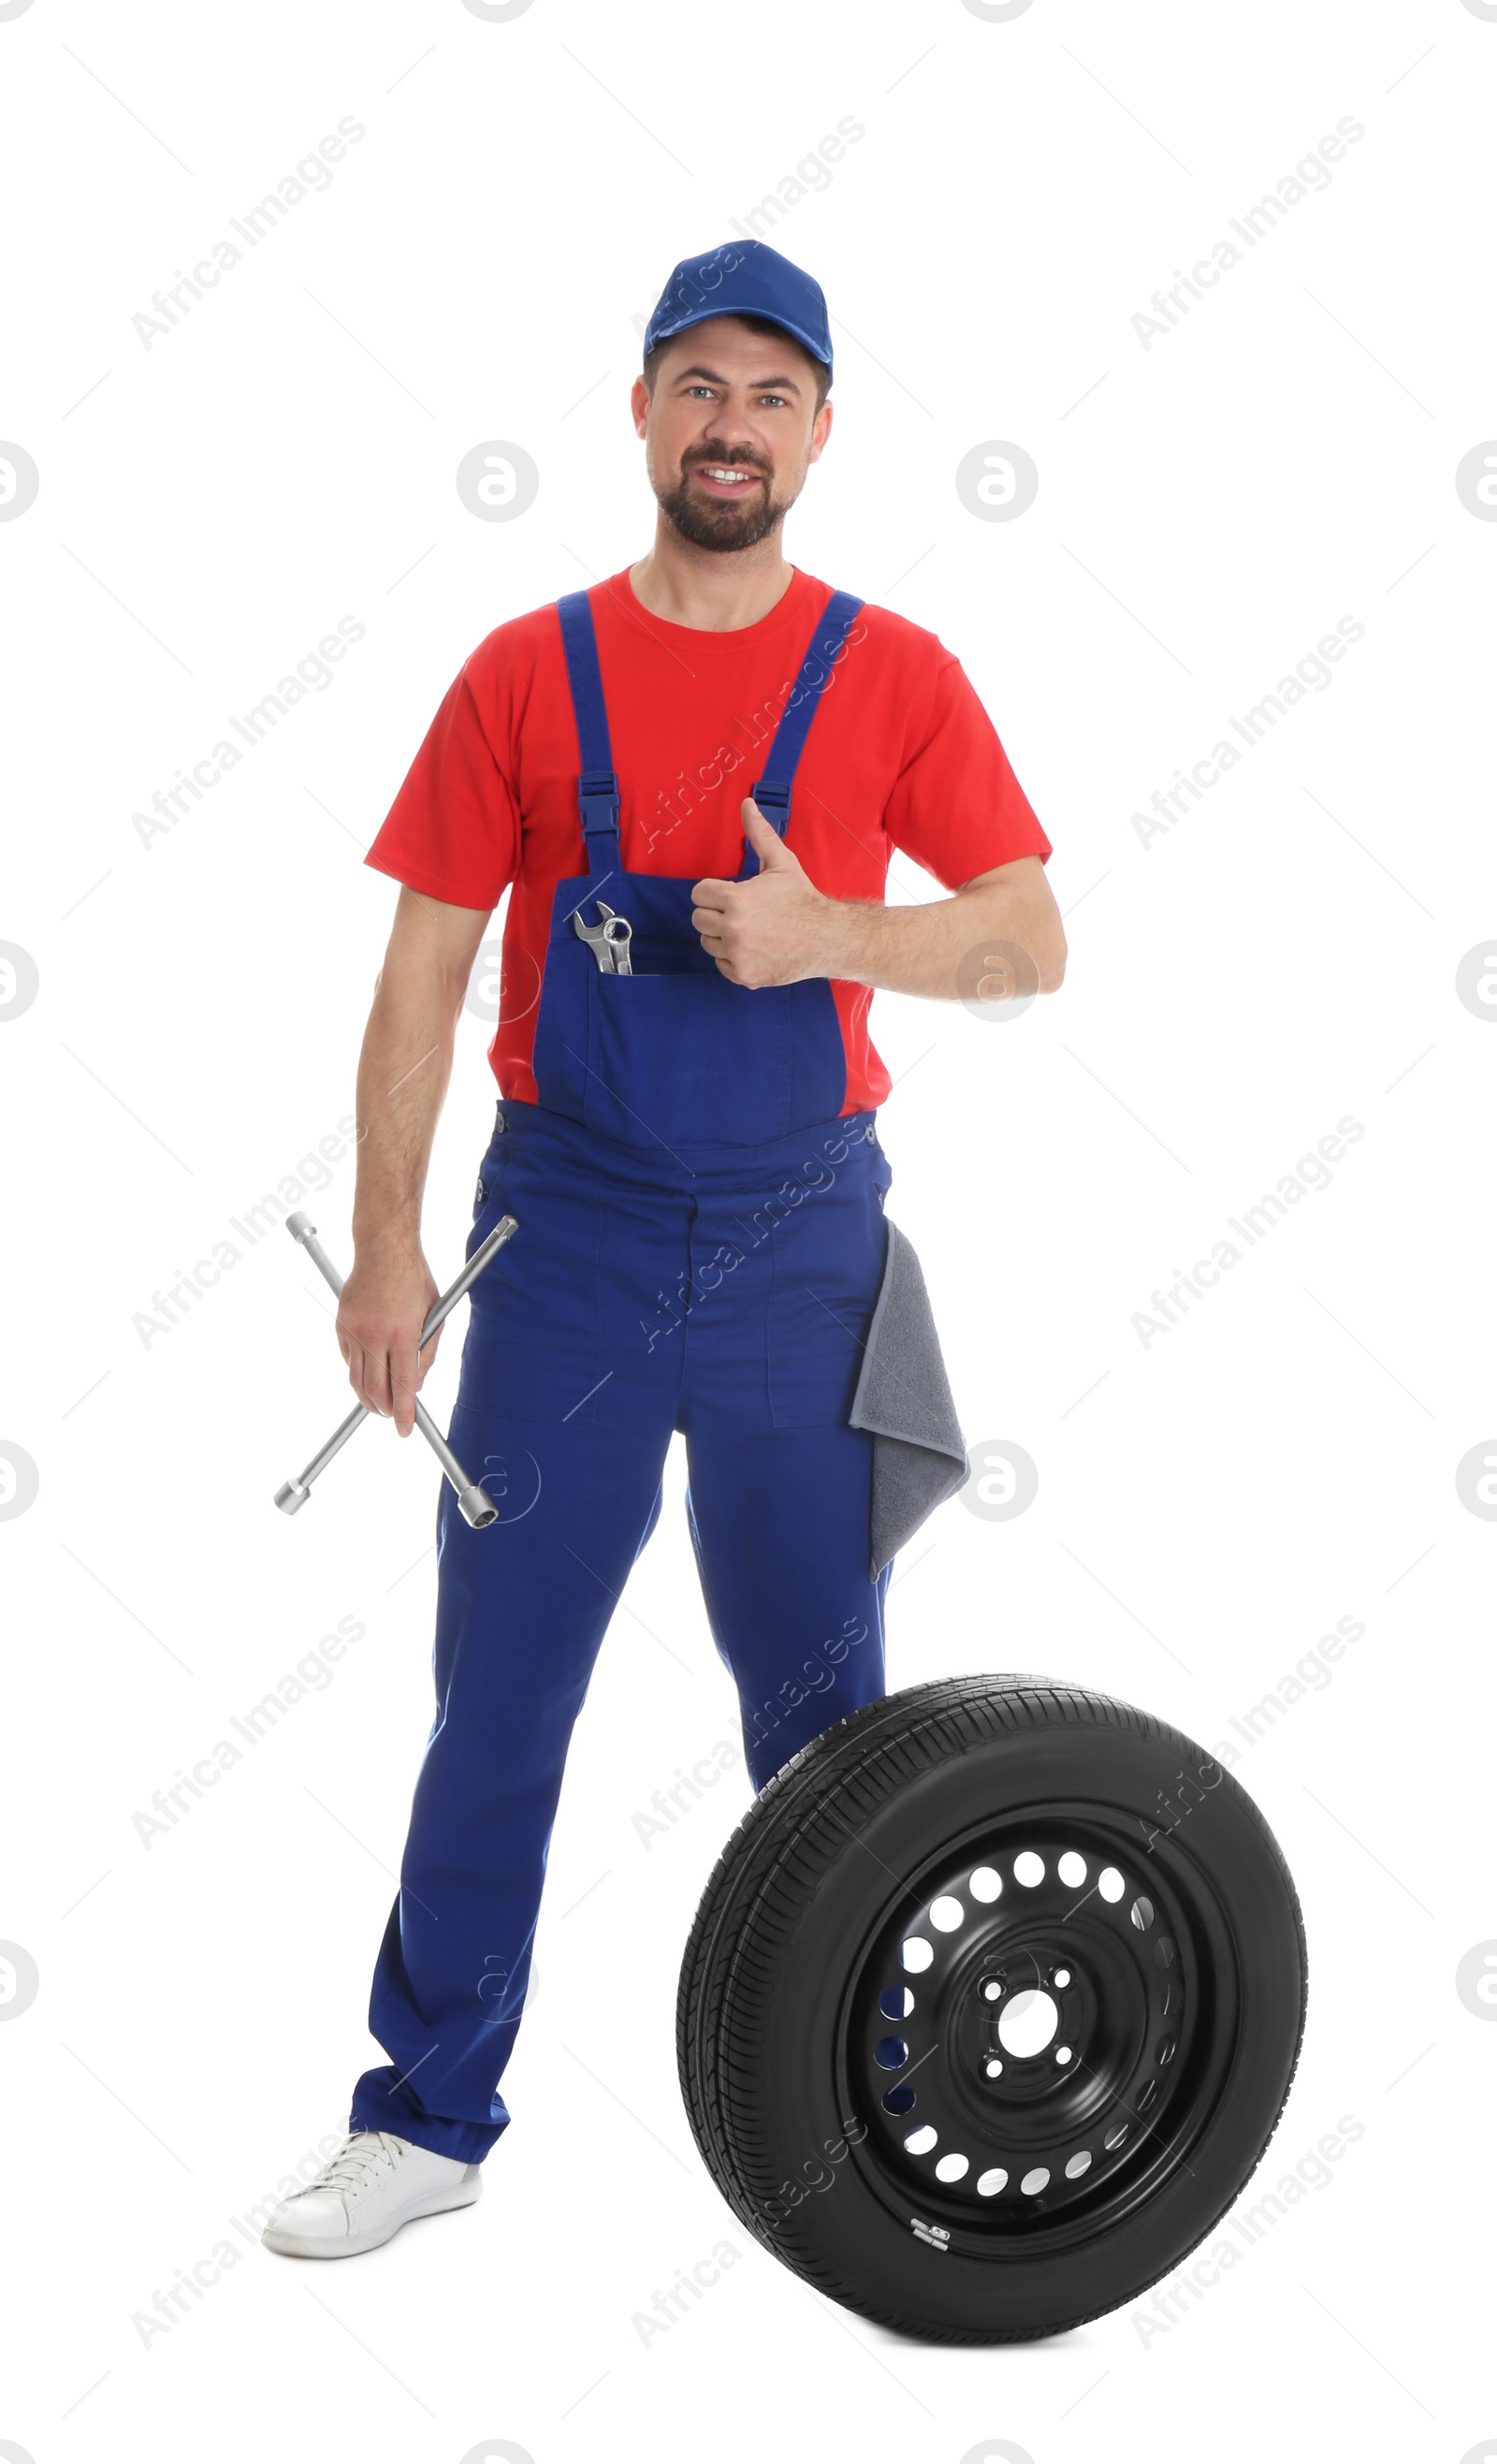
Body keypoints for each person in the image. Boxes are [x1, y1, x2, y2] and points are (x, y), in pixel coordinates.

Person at [262, 241, 1067, 2260]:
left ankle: (883, 2112)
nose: (730, 426)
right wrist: (383, 1251)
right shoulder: (520, 673)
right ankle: (426, 2116)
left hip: (805, 1244)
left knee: (826, 1717)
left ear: (818, 432)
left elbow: (1024, 938)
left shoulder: (896, 673)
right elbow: (420, 980)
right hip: (570, 1252)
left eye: (770, 394)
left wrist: (833, 939)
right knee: (500, 1699)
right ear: (637, 411)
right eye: (697, 386)